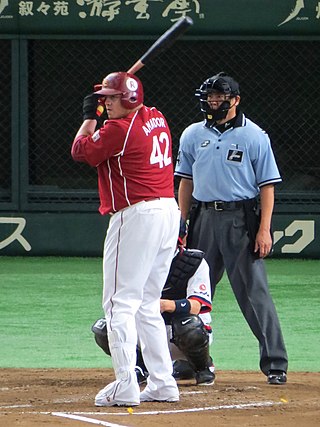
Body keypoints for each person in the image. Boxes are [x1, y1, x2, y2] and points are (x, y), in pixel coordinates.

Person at [71, 71, 181, 406]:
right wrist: (111, 100)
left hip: (136, 215)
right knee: (147, 304)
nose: (105, 101)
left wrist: (90, 118)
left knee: (119, 304)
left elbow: (80, 151)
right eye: (103, 97)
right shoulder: (156, 116)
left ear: (129, 99)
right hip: (167, 211)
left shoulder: (118, 129)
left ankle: (126, 384)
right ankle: (162, 383)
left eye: (111, 97)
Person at [174, 72, 288, 385]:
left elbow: (267, 187)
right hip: (203, 218)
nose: (213, 100)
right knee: (188, 290)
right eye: (209, 96)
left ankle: (275, 363)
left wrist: (264, 230)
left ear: (234, 100)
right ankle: (187, 361)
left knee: (254, 293)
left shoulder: (254, 136)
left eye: (219, 96)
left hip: (241, 220)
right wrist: (179, 222)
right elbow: (186, 180)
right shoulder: (193, 134)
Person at [92, 240, 215, 387]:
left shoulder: (194, 263)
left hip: (178, 336)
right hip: (145, 333)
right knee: (105, 328)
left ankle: (201, 366)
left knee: (189, 326)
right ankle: (140, 366)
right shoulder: (136, 262)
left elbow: (196, 306)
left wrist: (165, 305)